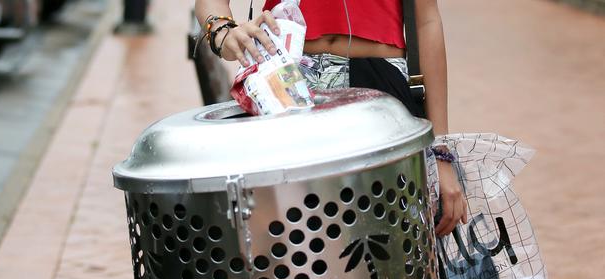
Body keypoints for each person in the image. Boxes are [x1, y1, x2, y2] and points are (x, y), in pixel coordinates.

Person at [194, 0, 467, 236]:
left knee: (391, 237)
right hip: (287, 81)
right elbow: (211, 6)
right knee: (288, 233)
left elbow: (427, 21)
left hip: (378, 88)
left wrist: (440, 150)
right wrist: (224, 34)